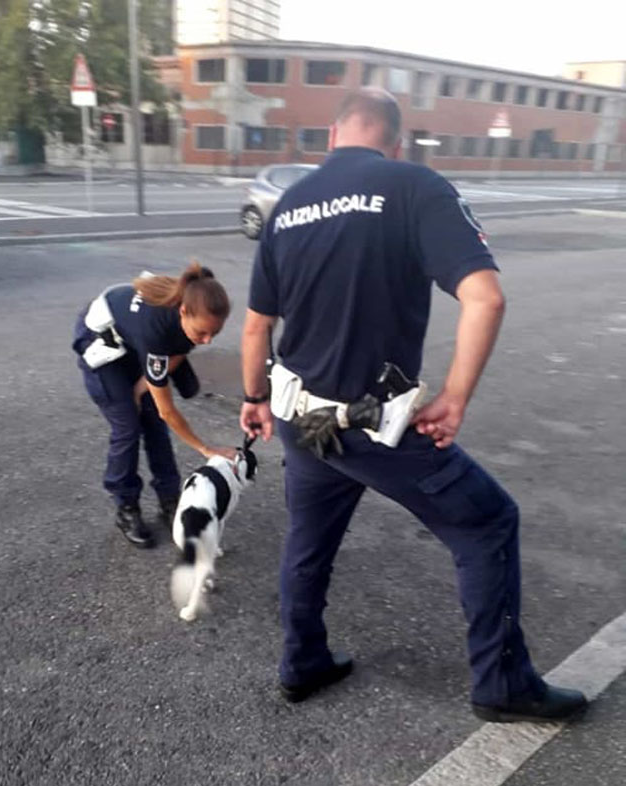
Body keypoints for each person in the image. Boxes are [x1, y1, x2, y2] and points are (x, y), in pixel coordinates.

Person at [239, 90, 587, 723]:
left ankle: (302, 661)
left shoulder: (288, 206)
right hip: (371, 422)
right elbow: (486, 299)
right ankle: (503, 682)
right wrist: (454, 396)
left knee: (307, 543)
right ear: (394, 141)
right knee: (487, 522)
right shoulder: (412, 185)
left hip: (299, 418)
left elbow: (257, 326)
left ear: (330, 137)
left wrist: (254, 400)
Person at [74, 262, 236, 547]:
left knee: (153, 422)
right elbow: (168, 410)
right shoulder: (157, 328)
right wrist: (205, 448)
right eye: (202, 334)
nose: (207, 341)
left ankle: (169, 499)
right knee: (128, 425)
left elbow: (177, 352)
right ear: (183, 312)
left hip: (134, 343)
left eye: (214, 334)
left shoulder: (191, 310)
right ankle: (126, 507)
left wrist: (140, 387)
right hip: (100, 339)